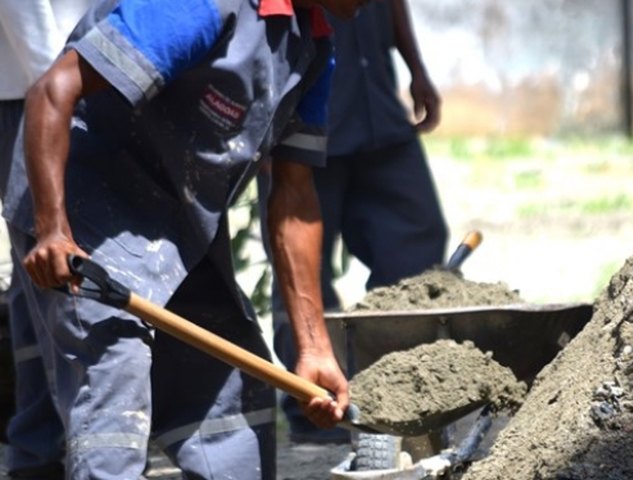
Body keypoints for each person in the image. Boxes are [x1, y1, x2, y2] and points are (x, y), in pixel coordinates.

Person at [0, 0, 367, 478]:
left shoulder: (314, 47)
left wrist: (314, 348)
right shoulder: (205, 6)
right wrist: (52, 229)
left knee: (235, 399)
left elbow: (295, 197)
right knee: (114, 385)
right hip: (85, 214)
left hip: (180, 232)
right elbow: (52, 89)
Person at [267, 0, 448, 444]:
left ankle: (395, 393)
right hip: (307, 120)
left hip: (379, 111)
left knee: (417, 237)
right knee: (303, 266)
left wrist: (415, 67)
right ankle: (316, 407)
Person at [0, 1, 94, 478]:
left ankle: (43, 443)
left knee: (44, 274)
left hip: (76, 79)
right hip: (40, 86)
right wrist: (55, 84)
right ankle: (44, 446)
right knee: (51, 271)